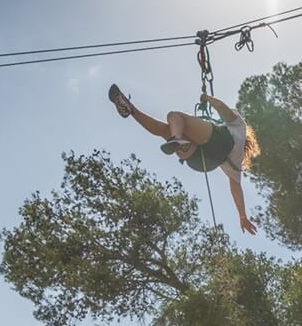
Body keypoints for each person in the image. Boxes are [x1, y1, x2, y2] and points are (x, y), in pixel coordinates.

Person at [108, 83, 259, 234]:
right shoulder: (235, 162)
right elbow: (235, 188)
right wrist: (242, 215)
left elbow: (221, 108)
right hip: (203, 163)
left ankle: (176, 138)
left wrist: (206, 98)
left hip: (216, 143)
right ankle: (135, 112)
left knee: (173, 117)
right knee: (169, 129)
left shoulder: (239, 125)